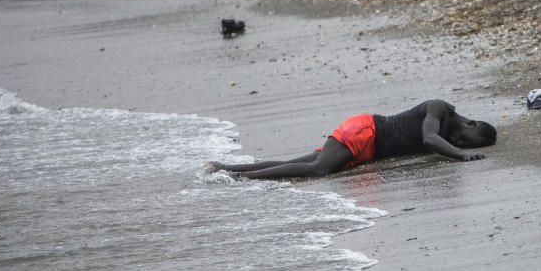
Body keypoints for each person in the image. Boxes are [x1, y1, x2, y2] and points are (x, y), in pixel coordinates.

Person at [205, 100, 497, 179]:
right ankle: (238, 179)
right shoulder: (439, 108)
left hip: (366, 148)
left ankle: (224, 168)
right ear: (471, 123)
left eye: (467, 147)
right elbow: (429, 138)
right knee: (317, 168)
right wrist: (460, 157)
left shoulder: (450, 135)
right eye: (469, 140)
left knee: (300, 163)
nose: (462, 143)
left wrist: (459, 151)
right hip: (365, 130)